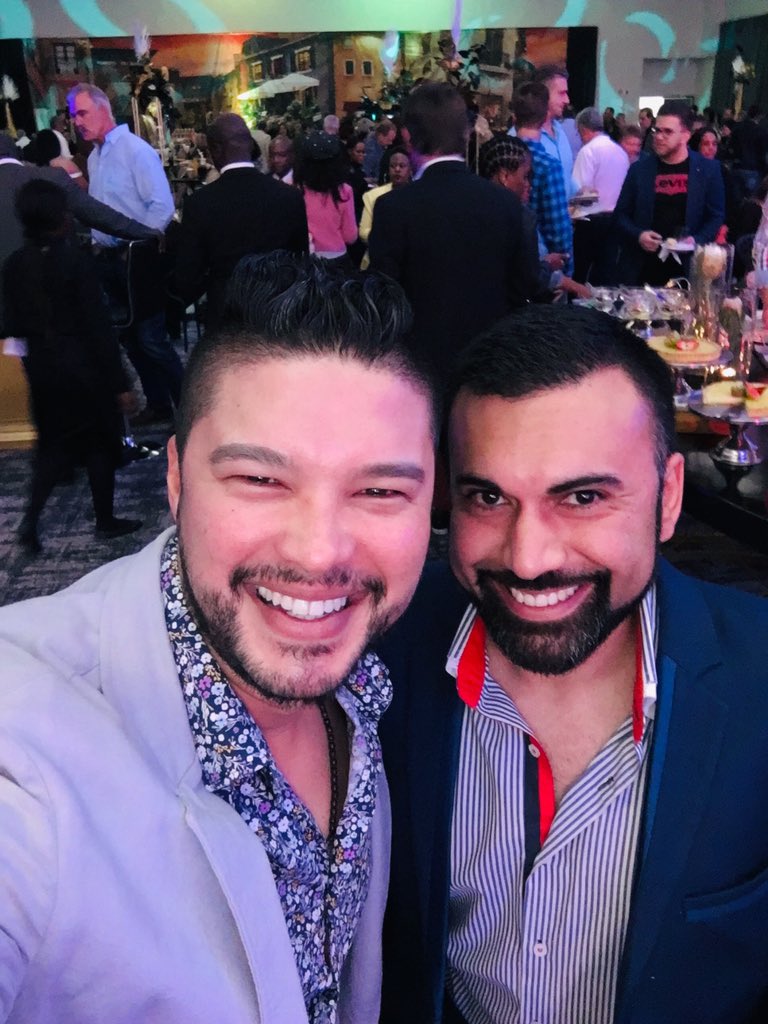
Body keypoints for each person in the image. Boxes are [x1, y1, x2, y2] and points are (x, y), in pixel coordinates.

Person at [0, 254, 437, 1024]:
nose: (319, 552)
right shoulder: (26, 757)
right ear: (175, 479)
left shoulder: (376, 685)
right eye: (260, 481)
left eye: (379, 490)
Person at [377, 303, 768, 1024]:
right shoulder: (381, 652)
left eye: (583, 497)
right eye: (488, 497)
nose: (529, 558)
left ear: (669, 496)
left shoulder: (759, 682)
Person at [3, 178, 142, 553]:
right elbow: (98, 328)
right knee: (99, 444)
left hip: (42, 368)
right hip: (85, 368)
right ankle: (105, 519)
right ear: (61, 217)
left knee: (51, 449)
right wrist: (120, 384)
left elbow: (10, 324)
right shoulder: (77, 263)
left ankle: (30, 522)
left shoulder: (14, 265)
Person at [369, 82, 538, 380]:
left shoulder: (393, 208)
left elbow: (384, 300)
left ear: (407, 136)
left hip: (419, 369)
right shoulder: (506, 205)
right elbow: (524, 287)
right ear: (466, 134)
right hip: (490, 364)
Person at [67, 83, 182, 423]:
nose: (77, 122)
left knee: (152, 340)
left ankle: (189, 409)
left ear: (103, 109)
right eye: (73, 115)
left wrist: (137, 245)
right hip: (108, 259)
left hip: (136, 260)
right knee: (131, 339)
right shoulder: (94, 157)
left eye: (82, 113)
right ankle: (159, 405)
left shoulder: (135, 151)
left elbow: (162, 207)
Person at [0, 132, 160, 335]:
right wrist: (148, 232)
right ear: (16, 153)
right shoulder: (50, 178)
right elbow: (99, 215)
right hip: (57, 303)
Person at [173, 113, 308, 333]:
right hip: (277, 311)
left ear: (215, 150)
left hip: (226, 314)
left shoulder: (199, 204)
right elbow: (301, 261)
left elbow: (188, 276)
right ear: (250, 145)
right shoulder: (289, 196)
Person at [613, 99, 724, 286]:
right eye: (657, 130)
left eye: (668, 131)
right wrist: (639, 235)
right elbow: (620, 215)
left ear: (685, 135)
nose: (659, 137)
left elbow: (716, 216)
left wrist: (695, 241)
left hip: (688, 270)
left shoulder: (708, 170)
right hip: (643, 270)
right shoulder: (639, 170)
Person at [478, 134, 589, 300]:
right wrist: (548, 267)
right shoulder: (520, 217)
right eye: (525, 176)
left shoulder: (475, 209)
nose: (529, 185)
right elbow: (528, 281)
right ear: (504, 177)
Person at [512, 81, 574, 275]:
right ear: (544, 116)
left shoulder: (501, 157)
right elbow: (559, 235)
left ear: (514, 117)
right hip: (543, 269)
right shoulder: (549, 165)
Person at [571, 106, 630, 284]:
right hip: (616, 221)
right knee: (605, 277)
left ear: (583, 129)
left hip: (591, 222)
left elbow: (582, 193)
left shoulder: (588, 151)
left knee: (581, 276)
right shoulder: (621, 152)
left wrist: (571, 217)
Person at [510, 64, 576, 195]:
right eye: (561, 93)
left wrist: (579, 190)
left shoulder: (560, 132)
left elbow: (566, 174)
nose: (567, 100)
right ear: (544, 94)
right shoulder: (517, 137)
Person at [294, 130, 358, 264]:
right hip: (337, 258)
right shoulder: (344, 191)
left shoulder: (295, 190)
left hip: (305, 259)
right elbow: (350, 236)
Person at [358, 146, 411, 269]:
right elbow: (363, 232)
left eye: (402, 166)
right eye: (393, 166)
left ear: (410, 169)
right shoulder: (373, 196)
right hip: (377, 260)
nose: (397, 169)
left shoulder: (418, 195)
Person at [689, 125, 738, 244]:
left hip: (717, 228)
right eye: (706, 144)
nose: (711, 148)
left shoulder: (722, 171)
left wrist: (724, 226)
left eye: (714, 144)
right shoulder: (688, 170)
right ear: (697, 146)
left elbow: (731, 203)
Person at [363, 118, 396, 184]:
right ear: (380, 136)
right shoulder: (371, 151)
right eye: (389, 140)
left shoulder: (379, 147)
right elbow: (366, 175)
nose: (391, 143)